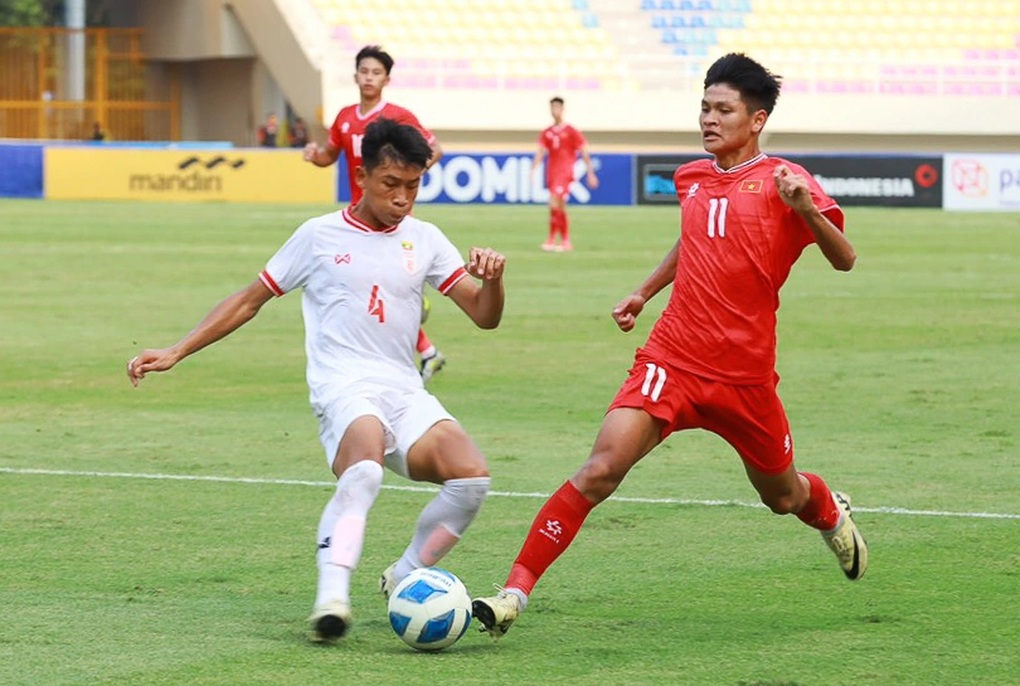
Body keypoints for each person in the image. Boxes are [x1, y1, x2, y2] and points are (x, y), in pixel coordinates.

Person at [472, 53, 867, 640]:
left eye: (723, 109)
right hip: (672, 361)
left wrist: (806, 210)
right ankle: (513, 593)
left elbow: (845, 258)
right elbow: (695, 242)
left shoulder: (787, 181)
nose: (708, 118)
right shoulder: (692, 177)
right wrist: (644, 292)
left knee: (782, 496)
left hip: (745, 378)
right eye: (704, 107)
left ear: (755, 120)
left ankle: (830, 512)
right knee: (599, 470)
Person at [127, 118, 507, 643]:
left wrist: (495, 282)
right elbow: (248, 300)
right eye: (390, 184)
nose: (402, 199)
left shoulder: (426, 239)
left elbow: (485, 317)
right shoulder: (319, 236)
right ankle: (332, 599)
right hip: (343, 388)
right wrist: (177, 349)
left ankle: (405, 572)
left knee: (472, 479)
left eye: (413, 187)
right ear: (360, 174)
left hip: (403, 391)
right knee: (365, 470)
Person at [304, 45, 447, 382]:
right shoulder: (344, 118)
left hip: (389, 221)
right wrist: (314, 155)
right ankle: (425, 351)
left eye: (376, 73)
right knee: (363, 290)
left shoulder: (398, 116)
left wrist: (402, 183)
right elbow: (330, 155)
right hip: (356, 220)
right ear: (356, 76)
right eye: (364, 71)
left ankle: (415, 331)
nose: (369, 78)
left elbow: (434, 149)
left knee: (376, 290)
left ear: (386, 79)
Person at [533, 96, 598, 252]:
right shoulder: (547, 132)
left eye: (557, 107)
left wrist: (590, 173)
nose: (554, 111)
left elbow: (584, 151)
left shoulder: (571, 131)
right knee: (559, 205)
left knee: (554, 203)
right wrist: (533, 168)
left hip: (565, 172)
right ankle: (564, 241)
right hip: (552, 172)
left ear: (562, 109)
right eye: (552, 108)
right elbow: (541, 152)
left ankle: (554, 239)